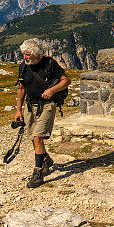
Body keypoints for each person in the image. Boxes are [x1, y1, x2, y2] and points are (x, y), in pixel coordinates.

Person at [14, 38, 71, 188]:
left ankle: (38, 173)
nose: (25, 57)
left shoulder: (50, 64)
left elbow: (66, 80)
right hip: (29, 106)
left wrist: (52, 90)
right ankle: (45, 159)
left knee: (38, 137)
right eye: (24, 54)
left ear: (36, 54)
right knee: (33, 138)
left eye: (28, 54)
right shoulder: (23, 67)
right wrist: (18, 110)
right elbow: (21, 89)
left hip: (47, 105)